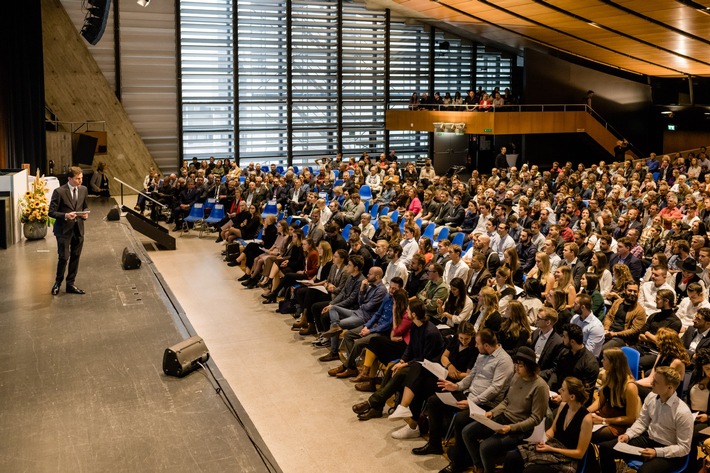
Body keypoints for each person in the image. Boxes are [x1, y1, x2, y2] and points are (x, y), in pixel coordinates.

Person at [412, 329, 514, 465]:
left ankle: (458, 463)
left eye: (477, 344)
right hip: (470, 394)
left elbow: (495, 389)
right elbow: (472, 376)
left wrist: (472, 402)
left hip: (486, 403)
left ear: (487, 345)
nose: (475, 346)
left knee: (460, 419)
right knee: (434, 401)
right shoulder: (482, 354)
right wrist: (457, 386)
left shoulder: (504, 361)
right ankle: (434, 445)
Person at [351, 299, 445, 420]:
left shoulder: (430, 332)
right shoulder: (415, 326)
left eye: (409, 310)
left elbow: (425, 358)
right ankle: (377, 408)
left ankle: (372, 403)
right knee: (391, 368)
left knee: (401, 372)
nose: (406, 312)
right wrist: (402, 361)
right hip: (416, 363)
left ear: (414, 314)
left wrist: (405, 364)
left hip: (428, 368)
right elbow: (410, 347)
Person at [460, 346, 549, 473]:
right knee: (467, 432)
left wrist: (511, 428)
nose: (516, 368)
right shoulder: (517, 376)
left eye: (521, 365)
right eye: (516, 364)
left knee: (485, 448)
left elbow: (535, 418)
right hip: (504, 418)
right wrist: (492, 412)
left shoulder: (540, 386)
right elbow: (507, 401)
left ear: (530, 367)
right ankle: (479, 466)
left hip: (520, 429)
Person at [598, 366, 693, 473]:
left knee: (644, 471)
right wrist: (629, 435)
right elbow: (642, 421)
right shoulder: (652, 397)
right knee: (606, 449)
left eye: (656, 382)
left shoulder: (682, 412)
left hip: (670, 451)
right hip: (649, 440)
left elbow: (684, 448)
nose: (651, 383)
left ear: (669, 387)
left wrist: (657, 452)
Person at [503, 377, 593, 473]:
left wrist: (552, 449)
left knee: (531, 470)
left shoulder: (586, 419)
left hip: (567, 458)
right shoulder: (563, 406)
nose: (559, 391)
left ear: (572, 397)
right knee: (512, 457)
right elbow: (553, 429)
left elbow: (579, 453)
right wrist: (544, 439)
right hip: (553, 447)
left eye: (563, 389)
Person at [49, 166, 89, 295]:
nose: (80, 181)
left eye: (81, 178)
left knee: (75, 257)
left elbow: (85, 207)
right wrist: (65, 215)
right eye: (77, 179)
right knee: (64, 257)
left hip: (78, 229)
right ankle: (57, 283)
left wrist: (85, 214)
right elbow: (51, 212)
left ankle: (70, 284)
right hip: (63, 230)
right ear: (69, 178)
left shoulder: (83, 190)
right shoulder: (59, 192)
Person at [587, 347, 641, 442]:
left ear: (613, 363)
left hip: (619, 424)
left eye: (604, 359)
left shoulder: (630, 387)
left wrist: (603, 420)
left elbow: (630, 418)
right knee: (577, 423)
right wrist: (585, 411)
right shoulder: (606, 376)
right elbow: (600, 401)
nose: (602, 361)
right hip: (605, 415)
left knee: (586, 433)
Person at [635, 327, 690, 401]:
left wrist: (634, 385)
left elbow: (662, 385)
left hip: (665, 395)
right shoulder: (661, 354)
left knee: (632, 389)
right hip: (655, 388)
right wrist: (633, 383)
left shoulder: (676, 362)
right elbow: (650, 379)